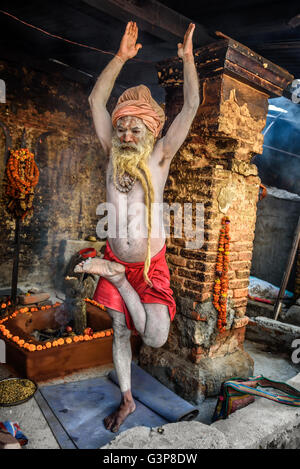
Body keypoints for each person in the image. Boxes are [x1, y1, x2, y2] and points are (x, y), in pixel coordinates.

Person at [74, 21, 199, 432]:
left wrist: (187, 61)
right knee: (120, 332)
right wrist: (121, 57)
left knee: (156, 336)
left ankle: (119, 280)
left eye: (135, 128)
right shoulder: (112, 151)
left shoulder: (161, 156)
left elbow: (192, 107)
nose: (126, 134)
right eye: (122, 126)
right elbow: (96, 99)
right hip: (114, 256)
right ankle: (127, 399)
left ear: (150, 131)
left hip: (148, 266)